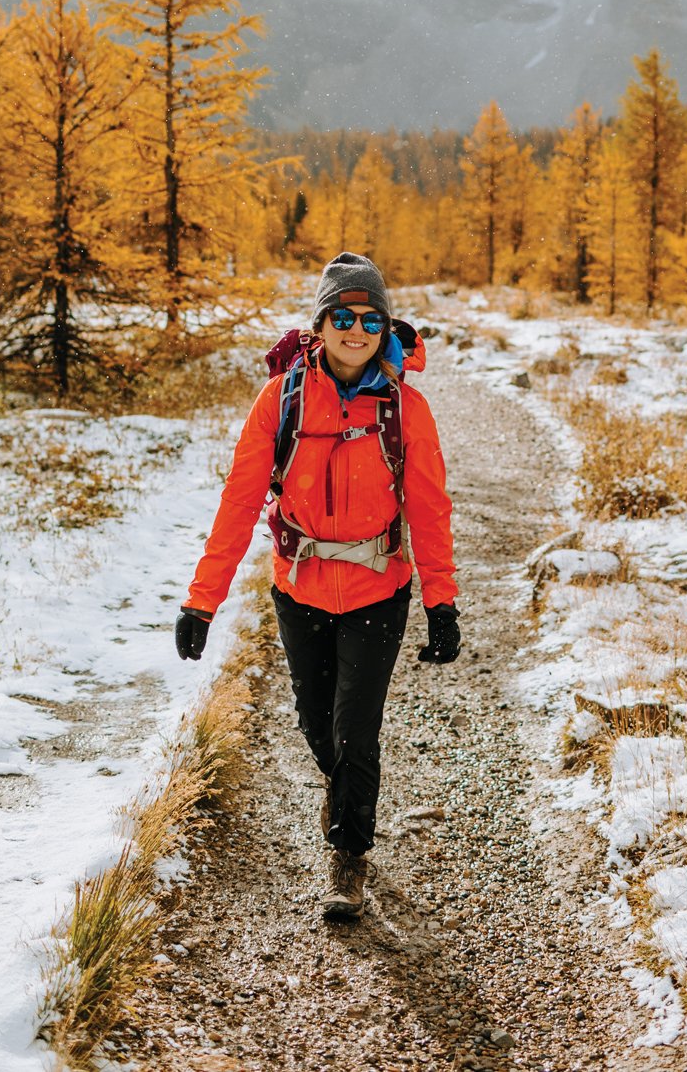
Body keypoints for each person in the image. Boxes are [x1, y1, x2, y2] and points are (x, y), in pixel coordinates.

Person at [175, 252, 460, 919]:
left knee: (356, 730)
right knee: (316, 723)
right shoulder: (281, 400)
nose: (355, 329)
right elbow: (240, 500)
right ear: (321, 322)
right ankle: (341, 792)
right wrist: (202, 600)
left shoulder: (404, 409)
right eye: (342, 315)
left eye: (369, 318)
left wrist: (442, 602)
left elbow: (430, 508)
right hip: (297, 589)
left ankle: (349, 858)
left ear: (384, 327)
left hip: (379, 591)